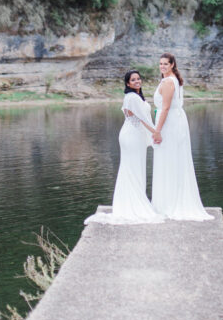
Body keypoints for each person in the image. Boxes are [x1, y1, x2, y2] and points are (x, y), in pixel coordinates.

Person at [84, 70, 164, 225]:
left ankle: (132, 200)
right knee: (132, 168)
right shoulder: (132, 97)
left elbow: (143, 117)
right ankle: (132, 204)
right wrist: (156, 133)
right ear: (128, 83)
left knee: (135, 168)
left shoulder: (135, 96)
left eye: (139, 79)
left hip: (136, 136)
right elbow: (143, 119)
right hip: (132, 136)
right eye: (133, 80)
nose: (137, 81)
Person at [150, 53, 212, 221]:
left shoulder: (169, 82)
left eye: (165, 64)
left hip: (170, 124)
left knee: (169, 160)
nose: (162, 66)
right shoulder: (172, 79)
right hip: (175, 122)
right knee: (172, 160)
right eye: (160, 63)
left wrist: (157, 131)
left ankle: (168, 203)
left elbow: (165, 108)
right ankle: (168, 200)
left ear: (172, 65)